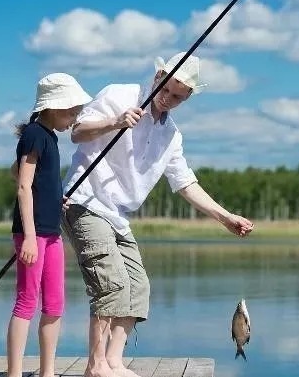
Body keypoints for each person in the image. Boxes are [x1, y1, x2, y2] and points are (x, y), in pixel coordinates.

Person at [60, 52, 255, 377]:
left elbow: (185, 183)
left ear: (188, 97)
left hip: (118, 214)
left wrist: (225, 217)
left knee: (137, 287)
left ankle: (113, 361)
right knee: (110, 286)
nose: (168, 99)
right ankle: (95, 367)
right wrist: (115, 121)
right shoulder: (119, 95)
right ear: (158, 77)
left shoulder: (171, 136)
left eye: (178, 97)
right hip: (85, 201)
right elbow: (77, 132)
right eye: (166, 89)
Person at [7, 73, 92, 377]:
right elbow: (22, 185)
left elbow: (17, 173)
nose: (74, 119)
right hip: (33, 235)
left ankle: (48, 371)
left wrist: (55, 198)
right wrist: (29, 237)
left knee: (55, 303)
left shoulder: (50, 138)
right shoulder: (34, 134)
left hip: (51, 232)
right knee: (27, 301)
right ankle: (14, 373)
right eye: (72, 112)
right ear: (54, 107)